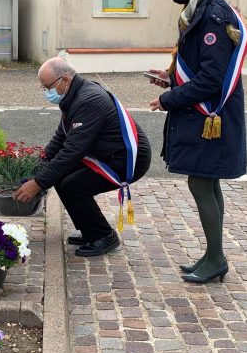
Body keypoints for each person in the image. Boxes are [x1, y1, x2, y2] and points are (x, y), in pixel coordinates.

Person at [148, 0, 247, 284]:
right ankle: (213, 255)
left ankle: (216, 258)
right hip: (206, 114)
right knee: (207, 181)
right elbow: (199, 66)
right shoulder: (201, 7)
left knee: (201, 181)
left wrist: (169, 98)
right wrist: (170, 77)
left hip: (211, 116)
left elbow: (212, 78)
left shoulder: (212, 15)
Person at [13, 57, 151, 257]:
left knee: (73, 186)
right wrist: (37, 166)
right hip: (106, 152)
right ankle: (90, 231)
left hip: (125, 159)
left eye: (48, 86)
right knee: (61, 178)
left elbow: (71, 152)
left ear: (65, 80)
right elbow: (61, 137)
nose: (46, 92)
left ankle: (103, 236)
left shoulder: (88, 101)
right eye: (42, 87)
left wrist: (39, 182)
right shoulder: (74, 95)